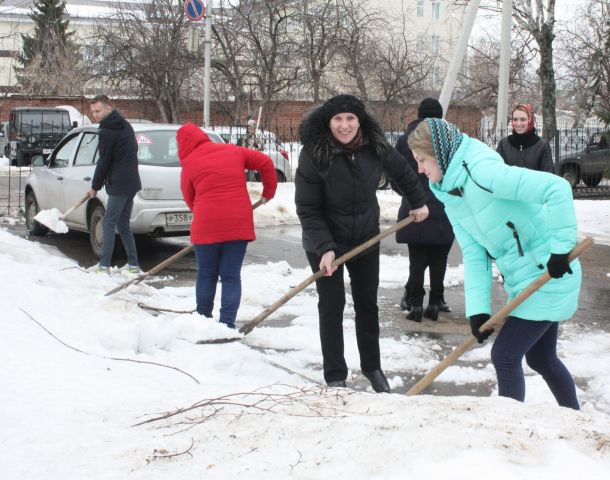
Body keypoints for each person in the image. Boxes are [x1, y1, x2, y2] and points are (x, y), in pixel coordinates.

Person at [408, 118, 581, 410]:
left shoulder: (483, 171)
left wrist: (561, 249)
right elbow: (474, 252)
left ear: (439, 153)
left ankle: (507, 431)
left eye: (423, 160)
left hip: (549, 273)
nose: (420, 169)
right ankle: (577, 418)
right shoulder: (450, 193)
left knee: (505, 355)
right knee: (541, 358)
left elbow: (557, 188)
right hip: (522, 280)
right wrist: (478, 311)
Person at [295, 94, 429, 392]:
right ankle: (335, 374)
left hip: (365, 235)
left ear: (360, 121)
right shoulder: (314, 153)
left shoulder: (374, 145)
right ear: (328, 122)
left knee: (367, 304)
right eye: (338, 119)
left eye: (350, 119)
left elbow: (404, 173)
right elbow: (307, 209)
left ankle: (372, 368)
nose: (344, 126)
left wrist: (418, 201)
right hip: (324, 240)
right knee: (332, 305)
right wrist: (325, 248)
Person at [178, 123, 277, 329]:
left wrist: (204, 212)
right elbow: (266, 162)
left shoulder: (189, 163)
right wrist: (268, 192)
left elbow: (189, 197)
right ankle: (227, 324)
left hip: (205, 225)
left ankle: (203, 320)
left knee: (206, 274)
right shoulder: (233, 151)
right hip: (238, 223)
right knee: (231, 276)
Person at [393, 98, 455, 322]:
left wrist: (410, 197)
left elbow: (395, 176)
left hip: (414, 208)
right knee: (439, 257)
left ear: (418, 115)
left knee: (417, 258)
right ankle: (436, 301)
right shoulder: (447, 142)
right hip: (442, 207)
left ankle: (416, 303)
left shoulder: (404, 141)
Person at [87, 95, 142, 274]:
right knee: (122, 222)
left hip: (120, 183)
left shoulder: (108, 130)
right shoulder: (124, 124)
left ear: (108, 109)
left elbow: (104, 160)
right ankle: (133, 265)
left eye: (98, 111)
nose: (95, 115)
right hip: (131, 181)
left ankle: (104, 266)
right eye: (93, 111)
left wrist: (94, 186)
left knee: (108, 222)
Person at [496, 104, 553, 173]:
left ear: (530, 120)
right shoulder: (504, 144)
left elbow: (547, 176)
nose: (518, 123)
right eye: (515, 119)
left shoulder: (542, 146)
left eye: (523, 119)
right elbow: (497, 172)